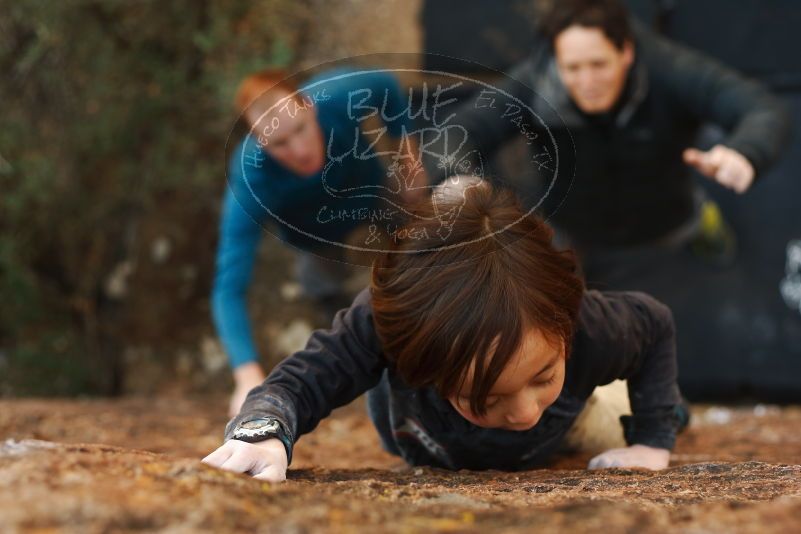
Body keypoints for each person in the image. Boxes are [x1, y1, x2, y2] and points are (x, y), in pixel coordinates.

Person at [202, 179, 689, 482]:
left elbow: (654, 323)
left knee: (645, 409)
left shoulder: (585, 324)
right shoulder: (392, 325)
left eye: (541, 376)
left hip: (571, 425)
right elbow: (297, 384)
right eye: (485, 396)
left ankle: (658, 407)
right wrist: (263, 435)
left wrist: (652, 439)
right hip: (421, 439)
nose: (522, 413)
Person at [450, 0, 791, 285]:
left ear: (626, 52)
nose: (586, 82)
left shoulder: (669, 68)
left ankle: (705, 225)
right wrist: (458, 182)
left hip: (666, 210)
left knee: (691, 222)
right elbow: (460, 132)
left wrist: (745, 152)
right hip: (571, 217)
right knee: (561, 263)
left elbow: (760, 109)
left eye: (599, 65)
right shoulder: (534, 84)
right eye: (572, 68)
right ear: (556, 58)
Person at [213, 67, 428, 416]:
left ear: (309, 106)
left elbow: (386, 85)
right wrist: (246, 374)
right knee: (326, 292)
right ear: (259, 142)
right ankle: (363, 369)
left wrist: (408, 156)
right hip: (315, 236)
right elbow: (229, 287)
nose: (299, 151)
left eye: (300, 129)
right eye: (279, 144)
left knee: (428, 240)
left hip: (373, 194)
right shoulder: (251, 177)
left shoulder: (337, 96)